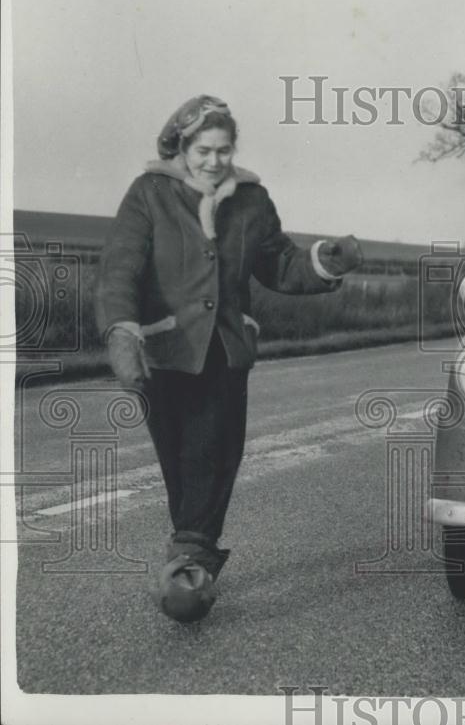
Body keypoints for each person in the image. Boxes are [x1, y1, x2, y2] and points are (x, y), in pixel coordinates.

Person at [96, 95, 363, 622]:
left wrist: (324, 261)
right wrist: (121, 331)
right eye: (203, 150)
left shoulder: (252, 199)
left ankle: (189, 569)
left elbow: (279, 265)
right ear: (180, 146)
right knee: (178, 460)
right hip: (164, 350)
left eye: (223, 150)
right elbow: (119, 268)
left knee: (214, 454)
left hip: (224, 349)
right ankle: (189, 554)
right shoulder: (150, 193)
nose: (215, 161)